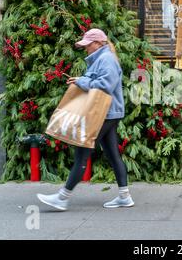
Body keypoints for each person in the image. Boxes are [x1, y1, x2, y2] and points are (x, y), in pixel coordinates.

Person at [37, 28, 134, 211]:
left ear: (98, 43)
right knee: (113, 154)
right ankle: (124, 196)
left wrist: (82, 81)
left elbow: (106, 85)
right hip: (108, 113)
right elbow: (100, 81)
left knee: (82, 152)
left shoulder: (106, 59)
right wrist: (81, 79)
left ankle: (62, 197)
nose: (85, 48)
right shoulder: (102, 58)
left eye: (87, 45)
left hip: (104, 113)